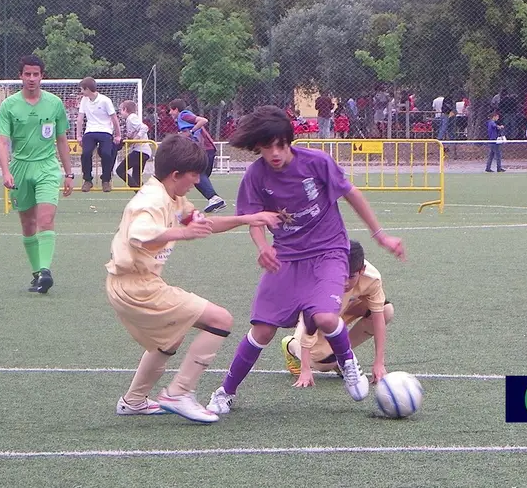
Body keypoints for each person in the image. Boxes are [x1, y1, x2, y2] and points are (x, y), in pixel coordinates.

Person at [205, 105, 406, 415]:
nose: (274, 153)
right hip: (286, 256)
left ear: (289, 141)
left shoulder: (317, 162)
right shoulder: (256, 175)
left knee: (326, 317)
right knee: (262, 331)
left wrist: (380, 234)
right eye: (266, 147)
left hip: (328, 251)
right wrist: (262, 247)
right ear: (257, 148)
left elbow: (351, 194)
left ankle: (348, 361)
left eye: (279, 145)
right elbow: (253, 219)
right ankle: (225, 392)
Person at [107, 134, 280, 422]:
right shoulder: (152, 200)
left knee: (170, 340)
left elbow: (204, 224)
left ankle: (134, 401)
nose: (198, 180)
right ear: (176, 175)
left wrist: (246, 219)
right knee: (221, 320)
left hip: (135, 285)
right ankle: (179, 393)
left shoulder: (173, 196)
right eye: (194, 175)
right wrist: (182, 232)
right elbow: (139, 234)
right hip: (137, 287)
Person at [0, 55, 75, 293]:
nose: (32, 78)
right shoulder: (9, 105)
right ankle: (37, 272)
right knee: (28, 223)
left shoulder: (54, 104)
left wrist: (69, 174)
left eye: (36, 74)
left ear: (42, 76)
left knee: (46, 219)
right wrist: (6, 172)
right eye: (27, 74)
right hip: (20, 168)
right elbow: (2, 142)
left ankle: (45, 272)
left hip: (47, 168)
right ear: (21, 76)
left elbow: (61, 140)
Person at [281, 240, 394, 386]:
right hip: (319, 315)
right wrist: (305, 369)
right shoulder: (320, 278)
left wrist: (379, 363)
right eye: (342, 275)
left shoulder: (372, 278)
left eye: (351, 276)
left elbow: (378, 317)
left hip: (346, 307)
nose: (345, 282)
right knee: (323, 364)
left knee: (386, 311)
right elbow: (310, 322)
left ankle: (344, 359)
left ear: (362, 270)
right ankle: (290, 345)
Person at [168, 99, 225, 212]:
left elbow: (203, 120)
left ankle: (214, 198)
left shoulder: (184, 115)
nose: (170, 113)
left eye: (170, 110)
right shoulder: (181, 120)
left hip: (205, 149)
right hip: (207, 149)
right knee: (197, 177)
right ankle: (214, 200)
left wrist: (191, 131)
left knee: (196, 174)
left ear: (176, 109)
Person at [77, 77, 121, 193]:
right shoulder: (84, 101)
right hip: (90, 131)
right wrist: (79, 135)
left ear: (87, 89)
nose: (81, 92)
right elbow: (80, 118)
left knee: (107, 154)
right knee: (86, 154)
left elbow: (114, 118)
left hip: (105, 131)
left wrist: (118, 135)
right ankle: (87, 180)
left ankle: (106, 180)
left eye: (82, 89)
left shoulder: (105, 100)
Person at [114, 100, 152, 189]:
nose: (120, 112)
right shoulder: (130, 120)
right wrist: (129, 141)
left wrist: (136, 139)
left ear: (125, 109)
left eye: (121, 110)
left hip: (140, 151)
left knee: (120, 170)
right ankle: (144, 196)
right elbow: (136, 132)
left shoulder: (131, 118)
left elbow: (144, 128)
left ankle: (140, 194)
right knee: (136, 178)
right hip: (143, 151)